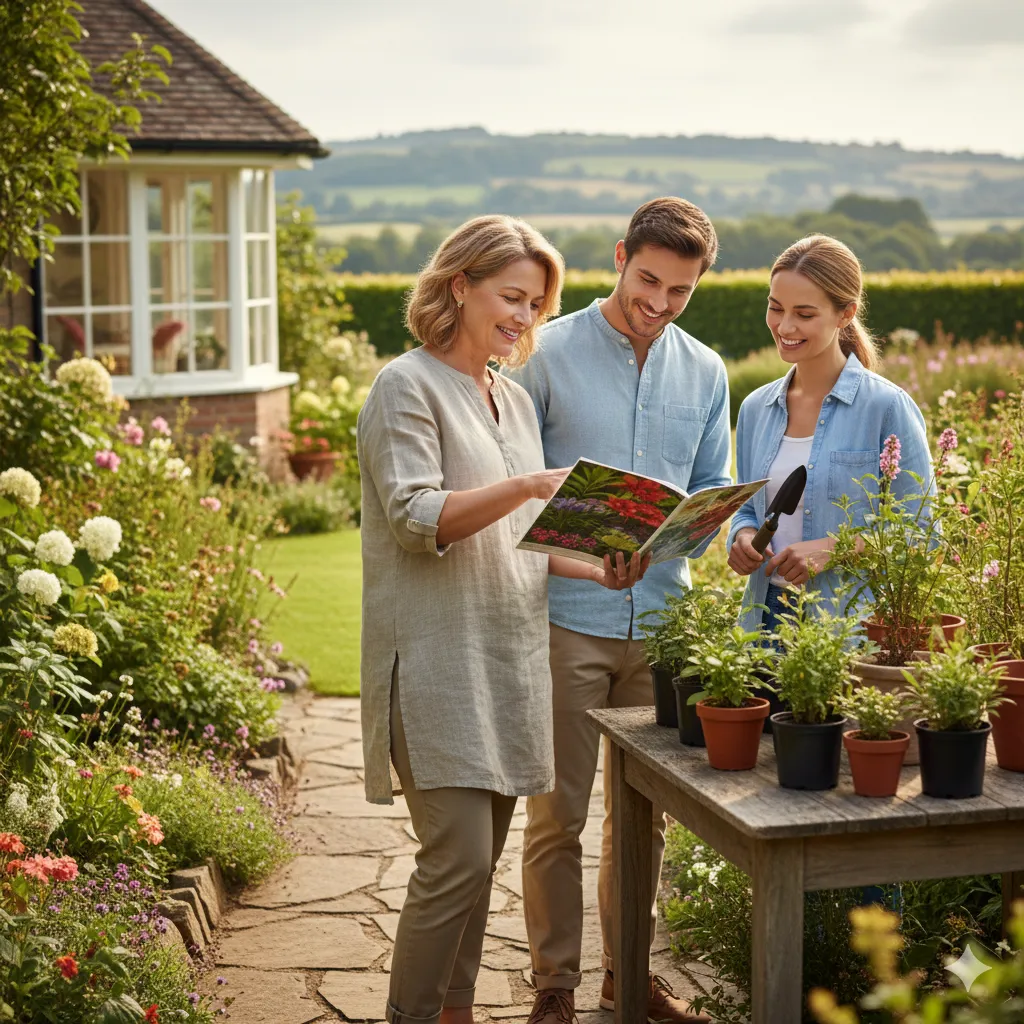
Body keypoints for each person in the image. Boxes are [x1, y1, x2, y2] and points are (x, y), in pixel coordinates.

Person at [357, 215, 649, 1024]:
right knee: (455, 861)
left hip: (506, 659)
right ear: (460, 285)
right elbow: (418, 518)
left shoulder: (511, 399)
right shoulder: (404, 386)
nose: (524, 317)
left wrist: (599, 563)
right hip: (436, 663)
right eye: (511, 296)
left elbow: (522, 539)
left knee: (478, 870)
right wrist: (526, 488)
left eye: (536, 304)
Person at [506, 197, 729, 1024]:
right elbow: (511, 493)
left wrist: (699, 531)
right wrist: (584, 554)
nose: (660, 303)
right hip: (567, 619)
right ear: (619, 258)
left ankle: (626, 981)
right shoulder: (547, 354)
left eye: (680, 291)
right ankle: (555, 987)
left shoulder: (705, 371)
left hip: (661, 623)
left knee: (642, 825)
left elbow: (709, 496)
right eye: (648, 281)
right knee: (558, 816)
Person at [727, 234, 932, 632]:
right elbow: (747, 509)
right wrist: (743, 535)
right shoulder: (756, 408)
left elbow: (921, 531)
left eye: (804, 314)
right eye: (775, 308)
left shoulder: (885, 408)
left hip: (848, 629)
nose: (785, 326)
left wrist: (831, 550)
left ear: (845, 314)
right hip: (761, 619)